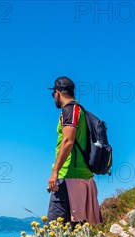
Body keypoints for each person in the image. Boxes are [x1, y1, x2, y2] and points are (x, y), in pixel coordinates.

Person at [46, 76, 103, 227]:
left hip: (68, 177)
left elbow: (68, 141)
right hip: (84, 178)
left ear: (57, 93)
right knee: (76, 232)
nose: (54, 98)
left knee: (54, 232)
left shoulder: (70, 109)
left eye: (53, 95)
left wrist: (55, 171)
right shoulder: (81, 110)